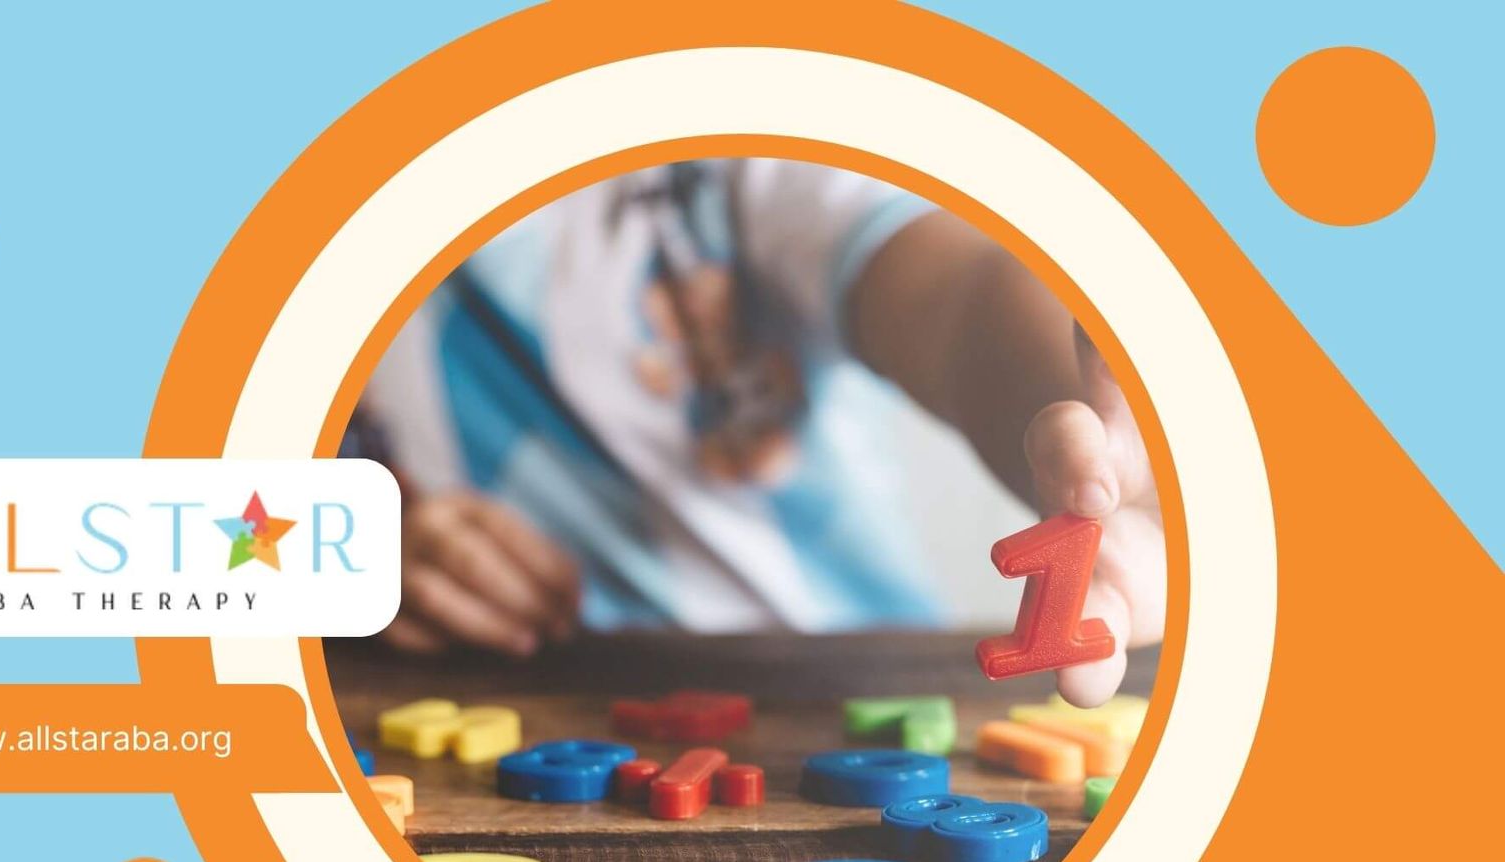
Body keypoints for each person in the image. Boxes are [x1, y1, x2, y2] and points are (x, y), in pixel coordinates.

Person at [347, 159, 1162, 706]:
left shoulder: (730, 144)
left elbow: (956, 295)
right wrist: (346, 550)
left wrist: (1101, 432)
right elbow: (262, 533)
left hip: (844, 682)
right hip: (485, 698)